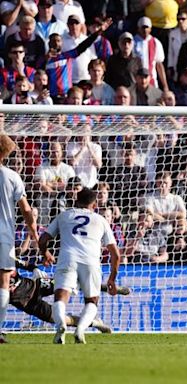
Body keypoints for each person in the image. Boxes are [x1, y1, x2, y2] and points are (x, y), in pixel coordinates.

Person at [39, 188, 121, 344]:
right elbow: (115, 254)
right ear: (94, 204)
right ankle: (80, 329)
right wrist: (112, 279)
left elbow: (42, 240)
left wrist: (46, 254)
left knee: (60, 298)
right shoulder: (101, 220)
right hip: (91, 262)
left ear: (76, 200)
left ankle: (61, 325)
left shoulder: (64, 215)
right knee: (92, 301)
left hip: (67, 258)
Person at [0, 135, 40, 344]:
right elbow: (25, 209)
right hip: (4, 236)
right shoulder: (12, 176)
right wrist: (33, 231)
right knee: (4, 282)